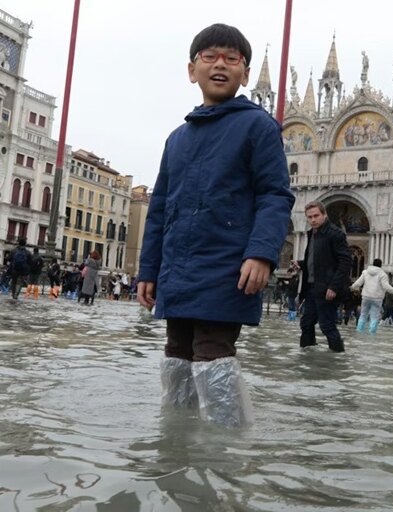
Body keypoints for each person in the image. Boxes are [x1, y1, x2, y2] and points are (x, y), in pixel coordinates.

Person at [137, 24, 295, 427]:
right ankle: (175, 438)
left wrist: (261, 254)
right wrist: (148, 270)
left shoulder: (259, 126)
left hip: (227, 265)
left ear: (245, 73)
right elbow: (159, 209)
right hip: (178, 266)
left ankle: (227, 452)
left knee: (212, 350)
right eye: (210, 57)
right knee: (176, 350)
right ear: (192, 70)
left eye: (232, 58)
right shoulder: (176, 138)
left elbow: (275, 195)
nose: (220, 65)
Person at [295, 201, 351, 352]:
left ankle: (338, 357)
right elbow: (318, 259)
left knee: (327, 325)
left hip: (327, 288)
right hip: (312, 287)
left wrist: (334, 286)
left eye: (316, 216)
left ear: (324, 215)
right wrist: (301, 264)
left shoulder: (335, 233)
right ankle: (307, 356)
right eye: (309, 217)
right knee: (306, 323)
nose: (313, 220)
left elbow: (345, 262)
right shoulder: (312, 233)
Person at [351, 258, 393, 334]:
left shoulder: (365, 272)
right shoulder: (382, 274)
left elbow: (358, 283)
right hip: (377, 298)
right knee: (374, 317)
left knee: (363, 315)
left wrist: (352, 287)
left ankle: (359, 332)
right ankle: (372, 334)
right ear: (381, 265)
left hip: (366, 296)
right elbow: (386, 287)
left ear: (372, 264)